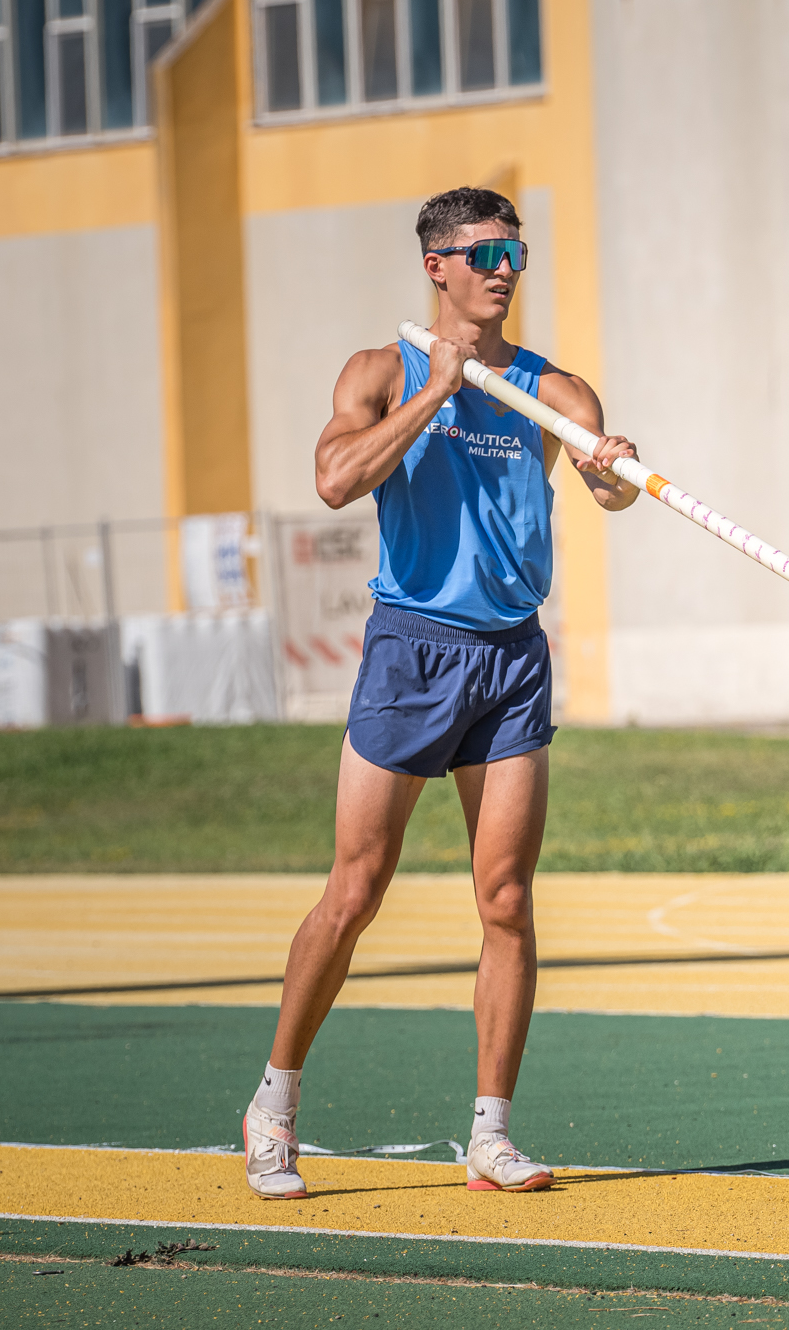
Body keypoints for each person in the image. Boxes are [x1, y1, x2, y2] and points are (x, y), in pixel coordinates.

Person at [242, 187, 639, 1198]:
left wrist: (612, 466)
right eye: (485, 253)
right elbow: (335, 480)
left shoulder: (555, 389)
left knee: (505, 899)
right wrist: (439, 393)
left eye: (516, 252)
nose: (505, 270)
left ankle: (490, 1134)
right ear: (437, 266)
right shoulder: (381, 372)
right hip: (412, 650)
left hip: (511, 658)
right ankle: (274, 1104)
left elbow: (605, 489)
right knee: (355, 891)